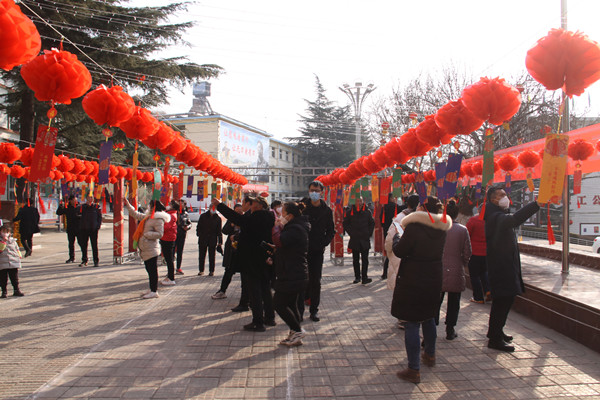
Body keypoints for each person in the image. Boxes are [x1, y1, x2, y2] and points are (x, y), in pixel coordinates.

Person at [391, 196, 452, 384]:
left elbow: (400, 251)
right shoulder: (441, 228)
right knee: (429, 317)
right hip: (433, 277)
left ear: (423, 208)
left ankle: (413, 368)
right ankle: (430, 355)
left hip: (413, 277)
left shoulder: (414, 227)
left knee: (411, 322)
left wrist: (397, 237)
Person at [484, 186, 540, 352]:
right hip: (501, 267)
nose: (505, 197)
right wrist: (535, 204)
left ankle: (496, 331)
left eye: (505, 194)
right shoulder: (495, 216)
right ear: (493, 199)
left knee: (504, 301)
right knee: (502, 301)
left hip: (505, 264)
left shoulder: (496, 214)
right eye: (501, 195)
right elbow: (515, 219)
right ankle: (495, 339)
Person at [212, 195, 275, 332]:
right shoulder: (269, 217)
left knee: (255, 291)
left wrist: (220, 205)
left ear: (259, 206)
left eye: (253, 204)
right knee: (265, 288)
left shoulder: (255, 218)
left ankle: (258, 322)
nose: (251, 206)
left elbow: (237, 219)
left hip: (252, 258)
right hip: (264, 256)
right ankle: (270, 317)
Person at [272, 202, 310, 346]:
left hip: (293, 273)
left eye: (283, 213)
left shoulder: (296, 228)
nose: (280, 216)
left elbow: (280, 240)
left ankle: (297, 330)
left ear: (290, 216)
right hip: (291, 271)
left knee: (278, 303)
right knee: (290, 304)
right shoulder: (295, 227)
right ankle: (295, 332)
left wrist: (276, 227)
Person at [298, 181, 334, 322]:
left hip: (317, 250)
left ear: (321, 192)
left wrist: (323, 242)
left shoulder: (326, 210)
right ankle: (299, 311)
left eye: (317, 191)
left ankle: (314, 310)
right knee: (301, 280)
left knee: (315, 281)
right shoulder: (301, 207)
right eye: (312, 190)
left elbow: (331, 230)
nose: (314, 193)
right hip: (302, 249)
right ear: (308, 191)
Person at [436, 200, 472, 340]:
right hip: (456, 269)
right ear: (457, 214)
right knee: (454, 302)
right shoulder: (462, 230)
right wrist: (462, 263)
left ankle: (431, 329)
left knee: (435, 301)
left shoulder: (437, 228)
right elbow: (468, 252)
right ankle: (450, 329)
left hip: (438, 269)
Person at [124, 198, 171, 299]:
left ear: (153, 207)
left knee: (152, 270)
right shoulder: (148, 217)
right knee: (149, 270)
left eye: (150, 205)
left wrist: (146, 234)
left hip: (151, 248)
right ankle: (152, 288)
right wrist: (128, 204)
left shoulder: (158, 219)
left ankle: (154, 291)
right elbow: (136, 214)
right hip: (145, 248)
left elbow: (160, 234)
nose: (148, 207)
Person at [385, 194, 419, 291]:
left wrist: (389, 252)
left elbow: (389, 239)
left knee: (400, 291)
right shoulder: (424, 220)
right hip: (417, 262)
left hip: (398, 257)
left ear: (408, 204)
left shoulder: (399, 218)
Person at [212, 203, 244, 300]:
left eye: (240, 212)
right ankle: (222, 291)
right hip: (232, 250)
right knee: (229, 271)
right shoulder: (231, 220)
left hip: (242, 250)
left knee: (245, 273)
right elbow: (224, 231)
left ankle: (246, 295)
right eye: (237, 212)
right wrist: (231, 225)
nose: (238, 214)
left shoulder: (245, 220)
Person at [343, 197, 375, 284]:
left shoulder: (367, 212)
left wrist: (368, 233)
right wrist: (351, 232)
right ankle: (357, 277)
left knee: (365, 260)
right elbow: (345, 223)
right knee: (355, 259)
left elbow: (372, 223)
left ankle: (365, 277)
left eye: (360, 201)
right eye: (357, 201)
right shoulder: (350, 212)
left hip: (365, 239)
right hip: (355, 239)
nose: (359, 203)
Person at [466, 206, 491, 303]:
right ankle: (488, 290)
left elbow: (467, 234)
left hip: (474, 252)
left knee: (474, 275)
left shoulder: (473, 220)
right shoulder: (491, 221)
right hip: (486, 252)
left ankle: (478, 297)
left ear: (479, 210)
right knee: (484, 272)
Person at [378, 193, 401, 280]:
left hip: (387, 232)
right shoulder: (396, 207)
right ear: (391, 198)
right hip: (395, 231)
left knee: (388, 252)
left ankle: (384, 273)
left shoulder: (384, 208)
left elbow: (381, 220)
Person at [196, 207, 222, 276]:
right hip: (203, 238)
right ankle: (201, 270)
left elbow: (219, 231)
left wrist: (220, 241)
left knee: (212, 256)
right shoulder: (203, 216)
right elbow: (198, 226)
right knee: (201, 255)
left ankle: (211, 271)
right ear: (209, 208)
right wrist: (199, 234)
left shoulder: (218, 218)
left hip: (212, 239)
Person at [78, 195, 102, 267]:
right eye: (89, 197)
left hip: (93, 229)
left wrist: (98, 226)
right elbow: (78, 215)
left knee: (94, 245)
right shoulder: (82, 207)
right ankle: (84, 260)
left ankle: (96, 261)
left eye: (91, 197)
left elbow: (99, 217)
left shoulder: (96, 207)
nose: (90, 199)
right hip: (84, 228)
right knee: (84, 245)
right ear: (86, 198)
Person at [0, 226, 24, 297]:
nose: (5, 233)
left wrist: (19, 256)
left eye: (7, 232)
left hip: (13, 262)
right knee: (3, 279)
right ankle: (4, 291)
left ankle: (16, 290)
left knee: (14, 278)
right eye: (3, 232)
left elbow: (17, 249)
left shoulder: (13, 241)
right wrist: (3, 241)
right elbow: (1, 249)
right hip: (2, 263)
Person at [56, 195, 80, 263]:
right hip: (70, 228)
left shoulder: (79, 207)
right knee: (71, 244)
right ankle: (72, 257)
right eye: (74, 200)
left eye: (76, 199)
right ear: (70, 200)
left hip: (79, 228)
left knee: (81, 243)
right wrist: (61, 206)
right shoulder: (67, 208)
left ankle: (85, 257)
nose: (75, 201)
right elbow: (59, 212)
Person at [159, 200, 179, 286]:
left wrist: (158, 227)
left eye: (170, 204)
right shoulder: (169, 214)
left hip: (168, 239)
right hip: (166, 238)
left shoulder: (171, 215)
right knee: (168, 259)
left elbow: (166, 227)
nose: (168, 205)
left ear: (173, 206)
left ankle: (171, 278)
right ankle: (170, 276)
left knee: (169, 259)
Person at [174, 199, 192, 275]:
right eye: (179, 204)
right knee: (172, 252)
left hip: (182, 235)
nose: (180, 205)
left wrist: (187, 227)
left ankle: (178, 267)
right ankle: (170, 269)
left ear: (185, 205)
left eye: (182, 204)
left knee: (180, 252)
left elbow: (190, 223)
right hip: (174, 235)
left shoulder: (186, 214)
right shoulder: (174, 213)